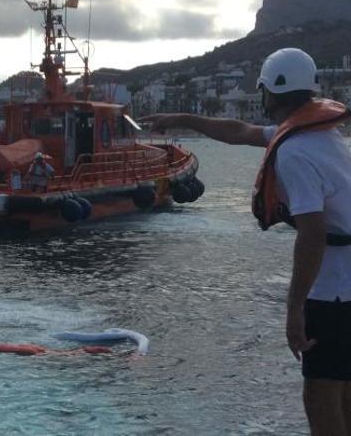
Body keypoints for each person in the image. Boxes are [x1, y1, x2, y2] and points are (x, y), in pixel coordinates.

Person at [141, 48, 351, 434]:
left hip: (334, 294)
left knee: (320, 398)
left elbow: (313, 233)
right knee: (343, 391)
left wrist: (294, 309)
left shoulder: (296, 151)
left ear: (268, 92)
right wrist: (184, 119)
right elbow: (239, 131)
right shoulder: (321, 132)